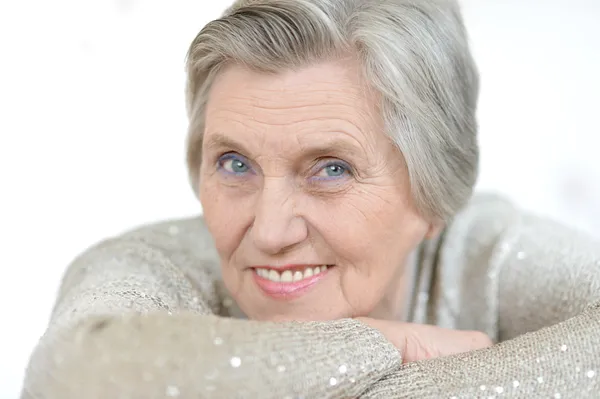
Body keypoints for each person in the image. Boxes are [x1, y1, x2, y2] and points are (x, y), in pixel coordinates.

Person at [21, 0, 600, 398]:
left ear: (434, 191)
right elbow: (75, 375)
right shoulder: (155, 267)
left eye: (330, 169)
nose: (271, 231)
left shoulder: (489, 257)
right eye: (235, 163)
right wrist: (386, 346)